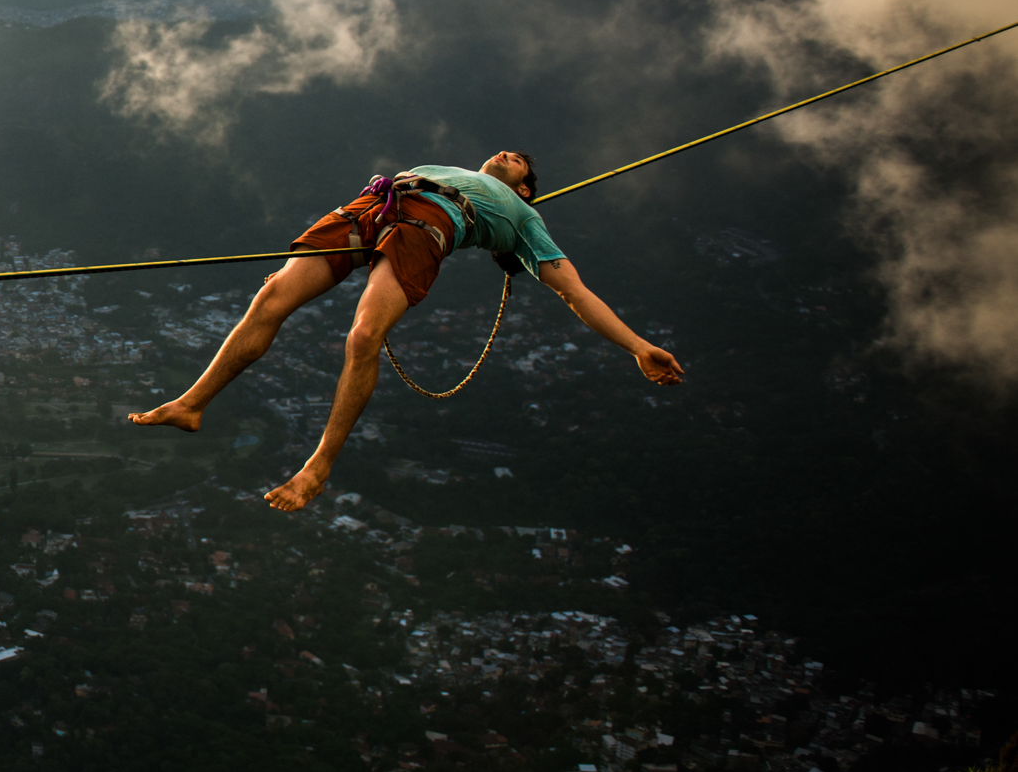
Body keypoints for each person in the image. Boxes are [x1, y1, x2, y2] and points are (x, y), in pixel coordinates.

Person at [129, 151, 683, 512]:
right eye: (506, 154)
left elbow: (575, 292)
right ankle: (191, 404)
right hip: (373, 205)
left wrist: (637, 346)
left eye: (521, 165)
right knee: (271, 296)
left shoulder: (526, 220)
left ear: (527, 189)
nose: (509, 156)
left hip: (427, 225)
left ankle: (318, 465)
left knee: (363, 335)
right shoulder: (447, 165)